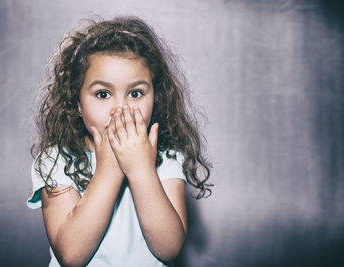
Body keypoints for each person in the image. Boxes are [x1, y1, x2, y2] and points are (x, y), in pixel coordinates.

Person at [27, 16, 212, 267]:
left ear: (155, 98)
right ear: (78, 104)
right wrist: (109, 169)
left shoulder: (167, 159)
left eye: (135, 93)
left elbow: (169, 249)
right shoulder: (55, 161)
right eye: (103, 94)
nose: (120, 109)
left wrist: (140, 169)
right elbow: (71, 255)